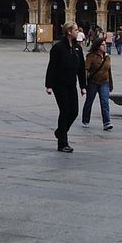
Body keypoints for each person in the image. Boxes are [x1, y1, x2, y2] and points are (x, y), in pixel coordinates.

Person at [45, 22, 86, 153]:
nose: (78, 32)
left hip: (71, 83)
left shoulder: (77, 48)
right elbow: (52, 66)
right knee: (65, 111)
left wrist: (83, 86)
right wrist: (49, 85)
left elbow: (81, 68)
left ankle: (60, 132)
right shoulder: (58, 47)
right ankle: (62, 143)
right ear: (69, 32)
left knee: (74, 111)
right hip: (59, 84)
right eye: (76, 30)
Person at [82, 38, 113, 130]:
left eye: (105, 44)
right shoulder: (91, 56)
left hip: (104, 82)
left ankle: (107, 122)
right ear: (98, 46)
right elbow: (86, 69)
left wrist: (111, 84)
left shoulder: (107, 57)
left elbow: (109, 71)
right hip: (93, 82)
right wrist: (84, 84)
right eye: (103, 45)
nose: (105, 46)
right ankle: (85, 120)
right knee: (89, 101)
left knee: (105, 102)